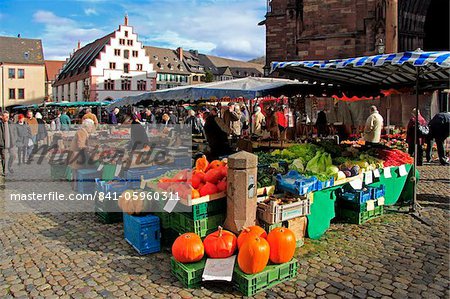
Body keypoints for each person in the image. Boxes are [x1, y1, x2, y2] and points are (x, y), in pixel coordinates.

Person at [68, 118, 95, 187]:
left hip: (76, 154)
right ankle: (76, 186)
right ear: (87, 126)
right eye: (91, 126)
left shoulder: (83, 132)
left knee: (76, 171)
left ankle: (76, 186)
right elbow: (81, 145)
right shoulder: (82, 132)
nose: (91, 128)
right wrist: (90, 148)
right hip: (76, 155)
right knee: (77, 170)